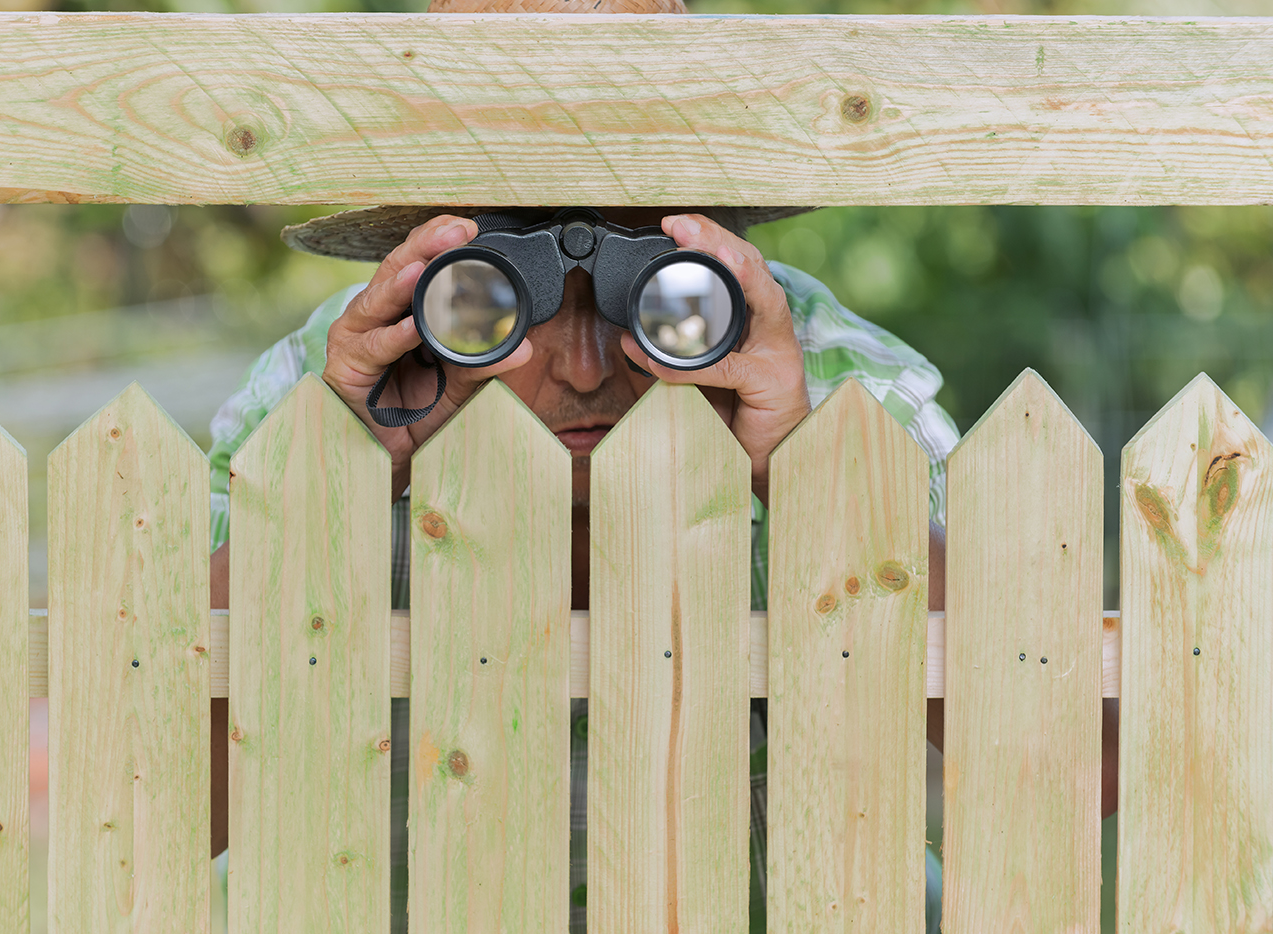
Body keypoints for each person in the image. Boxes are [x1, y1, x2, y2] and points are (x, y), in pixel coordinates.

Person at [207, 201, 959, 931]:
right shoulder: (344, 369)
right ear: (430, 284)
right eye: (494, 298)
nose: (587, 370)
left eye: (663, 299)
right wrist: (340, 471)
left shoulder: (831, 375)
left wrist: (802, 467)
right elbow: (160, 799)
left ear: (728, 259)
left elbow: (1032, 747)